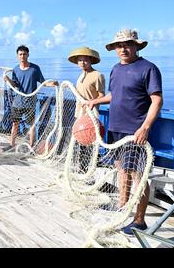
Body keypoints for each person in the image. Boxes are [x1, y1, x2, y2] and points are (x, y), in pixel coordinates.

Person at [86, 29, 163, 235]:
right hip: (115, 129)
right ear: (114, 49)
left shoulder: (148, 68)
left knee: (139, 174)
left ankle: (139, 220)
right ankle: (122, 205)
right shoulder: (115, 69)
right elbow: (114, 94)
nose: (123, 48)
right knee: (121, 170)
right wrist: (95, 100)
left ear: (137, 46)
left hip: (135, 131)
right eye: (119, 45)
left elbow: (156, 100)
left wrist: (145, 127)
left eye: (128, 44)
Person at [3, 45, 58, 151]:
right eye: (20, 54)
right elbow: (14, 85)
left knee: (31, 125)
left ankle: (32, 146)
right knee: (15, 124)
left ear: (28, 55)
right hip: (17, 102)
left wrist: (52, 83)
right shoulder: (15, 69)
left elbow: (43, 82)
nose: (22, 56)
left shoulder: (35, 68)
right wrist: (7, 80)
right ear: (17, 56)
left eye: (24, 54)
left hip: (30, 102)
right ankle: (11, 144)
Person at [68, 46, 105, 172]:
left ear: (90, 61)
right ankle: (80, 168)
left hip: (90, 115)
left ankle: (88, 170)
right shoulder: (81, 75)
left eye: (85, 60)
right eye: (79, 60)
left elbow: (101, 96)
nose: (82, 63)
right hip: (79, 114)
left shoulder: (97, 75)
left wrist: (91, 103)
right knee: (79, 143)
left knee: (89, 144)